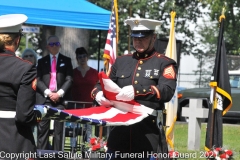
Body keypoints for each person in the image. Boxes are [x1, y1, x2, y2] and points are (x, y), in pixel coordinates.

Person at [92, 18, 178, 160]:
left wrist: (137, 91)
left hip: (147, 136)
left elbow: (167, 90)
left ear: (154, 38)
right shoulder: (121, 61)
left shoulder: (164, 63)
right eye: (135, 38)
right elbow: (100, 85)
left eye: (143, 38)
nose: (138, 42)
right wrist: (99, 94)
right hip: (119, 134)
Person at [0, 14, 46, 159]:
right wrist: (40, 114)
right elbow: (24, 116)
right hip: (15, 142)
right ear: (18, 39)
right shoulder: (25, 68)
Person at [36, 35, 73, 151]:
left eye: (56, 44)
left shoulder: (66, 61)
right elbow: (37, 79)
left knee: (59, 131)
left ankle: (58, 155)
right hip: (45, 99)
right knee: (42, 130)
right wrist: (48, 93)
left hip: (60, 100)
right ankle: (41, 155)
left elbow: (69, 79)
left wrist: (59, 93)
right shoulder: (41, 62)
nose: (54, 46)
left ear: (60, 45)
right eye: (51, 44)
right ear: (47, 47)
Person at [69, 47, 99, 150]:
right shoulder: (73, 72)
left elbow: (98, 87)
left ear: (87, 57)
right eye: (80, 57)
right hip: (75, 105)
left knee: (89, 129)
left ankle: (87, 149)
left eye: (84, 56)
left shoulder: (94, 72)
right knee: (74, 129)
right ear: (77, 59)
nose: (82, 58)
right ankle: (73, 149)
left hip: (89, 105)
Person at [22, 48, 38, 146]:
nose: (28, 58)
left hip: (37, 105)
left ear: (35, 58)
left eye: (31, 56)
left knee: (36, 133)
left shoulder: (40, 71)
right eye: (26, 56)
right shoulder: (19, 70)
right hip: (23, 107)